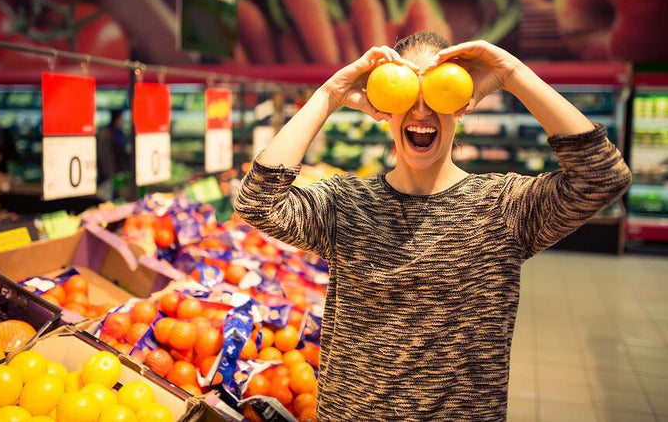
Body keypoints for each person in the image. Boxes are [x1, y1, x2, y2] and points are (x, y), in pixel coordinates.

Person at [233, 32, 632, 420]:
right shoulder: (346, 205)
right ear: (385, 104)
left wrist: (512, 74)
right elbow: (257, 201)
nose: (421, 111)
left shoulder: (503, 208)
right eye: (407, 93)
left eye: (438, 92)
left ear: (461, 104)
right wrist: (329, 95)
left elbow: (602, 177)